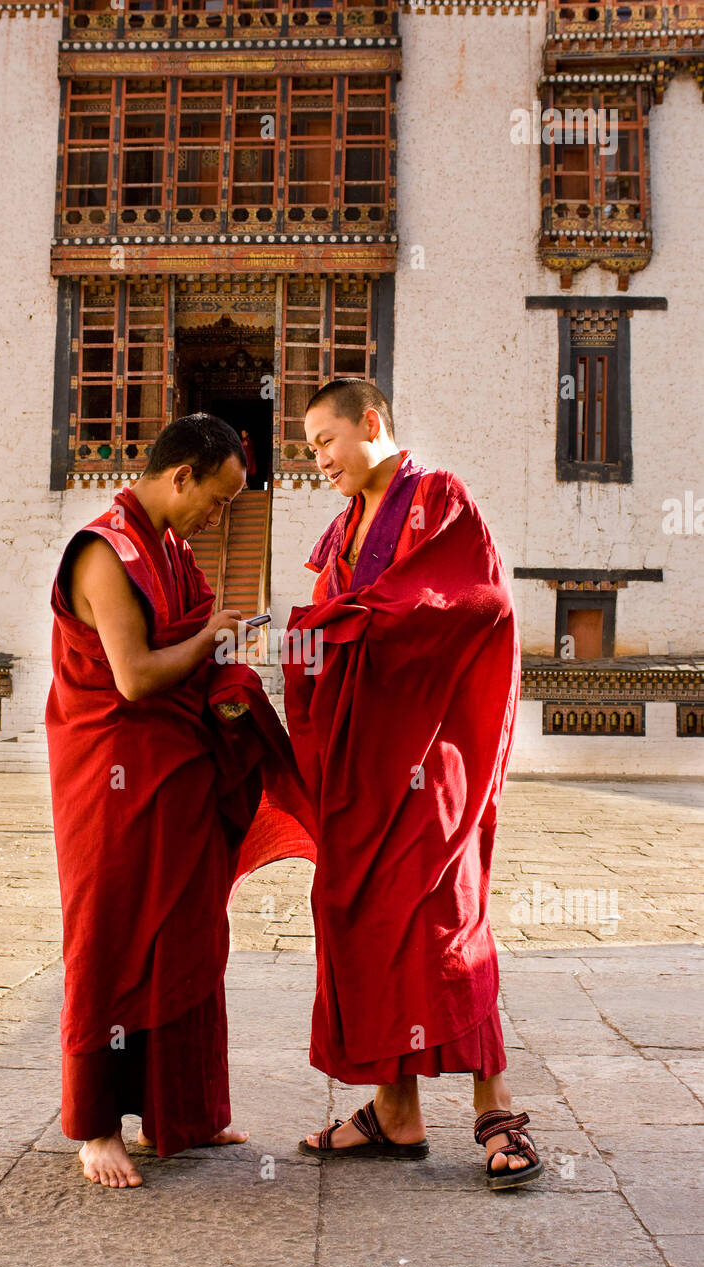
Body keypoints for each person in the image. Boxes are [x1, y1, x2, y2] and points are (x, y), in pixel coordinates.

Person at [282, 379, 543, 1190]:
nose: (317, 459)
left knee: (445, 915)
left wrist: (358, 617)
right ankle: (395, 1111)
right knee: (361, 911)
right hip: (366, 760)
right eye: (309, 447)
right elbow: (333, 629)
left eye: (326, 440)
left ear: (372, 422)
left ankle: (492, 1107)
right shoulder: (340, 532)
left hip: (433, 755)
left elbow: (478, 601)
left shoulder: (439, 497)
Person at [46, 413, 316, 1190]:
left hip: (178, 769)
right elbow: (132, 677)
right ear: (181, 477)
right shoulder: (106, 551)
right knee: (114, 931)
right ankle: (97, 1125)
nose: (219, 516)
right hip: (116, 776)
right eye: (220, 499)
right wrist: (211, 642)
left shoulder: (170, 550)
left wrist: (233, 647)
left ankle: (180, 1110)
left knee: (187, 931)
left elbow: (200, 633)